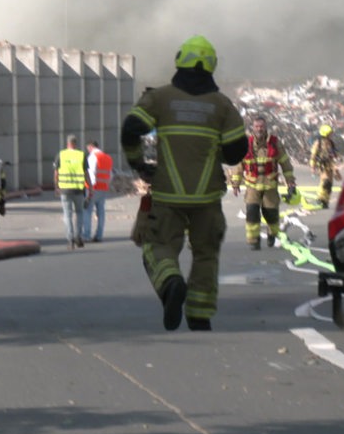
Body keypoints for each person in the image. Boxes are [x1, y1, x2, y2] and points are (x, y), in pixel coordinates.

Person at [121, 35, 247, 332]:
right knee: (206, 255)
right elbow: (235, 153)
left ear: (180, 60)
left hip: (167, 194)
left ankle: (170, 283)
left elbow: (131, 129)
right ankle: (199, 314)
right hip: (207, 197)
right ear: (211, 65)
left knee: (158, 246)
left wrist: (140, 164)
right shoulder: (222, 106)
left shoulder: (159, 98)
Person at [230, 114, 299, 248]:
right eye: (256, 126)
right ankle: (254, 241)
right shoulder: (246, 144)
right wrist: (235, 183)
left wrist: (290, 181)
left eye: (261, 126)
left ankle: (272, 235)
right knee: (252, 213)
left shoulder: (275, 143)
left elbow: (285, 163)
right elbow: (239, 165)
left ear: (266, 127)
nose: (259, 129)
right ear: (253, 128)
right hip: (252, 186)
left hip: (270, 187)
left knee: (271, 215)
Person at [54, 134, 90, 249]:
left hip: (65, 190)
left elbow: (56, 173)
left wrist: (56, 187)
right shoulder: (81, 155)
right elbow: (86, 174)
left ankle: (70, 240)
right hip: (79, 190)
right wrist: (90, 188)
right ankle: (78, 236)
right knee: (79, 213)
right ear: (76, 143)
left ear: (67, 143)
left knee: (67, 215)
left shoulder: (61, 155)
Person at [82, 140, 113, 243]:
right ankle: (99, 235)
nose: (88, 151)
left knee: (87, 211)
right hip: (103, 188)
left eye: (88, 149)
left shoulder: (93, 157)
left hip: (93, 188)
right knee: (101, 212)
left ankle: (86, 235)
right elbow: (110, 174)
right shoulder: (108, 158)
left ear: (91, 147)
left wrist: (90, 189)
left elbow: (91, 173)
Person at [309, 124, 339, 209]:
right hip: (322, 166)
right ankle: (320, 199)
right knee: (325, 182)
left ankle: (325, 201)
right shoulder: (318, 143)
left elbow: (334, 154)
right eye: (329, 133)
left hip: (330, 166)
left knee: (329, 185)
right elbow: (313, 155)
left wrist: (335, 162)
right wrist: (312, 166)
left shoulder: (330, 143)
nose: (331, 135)